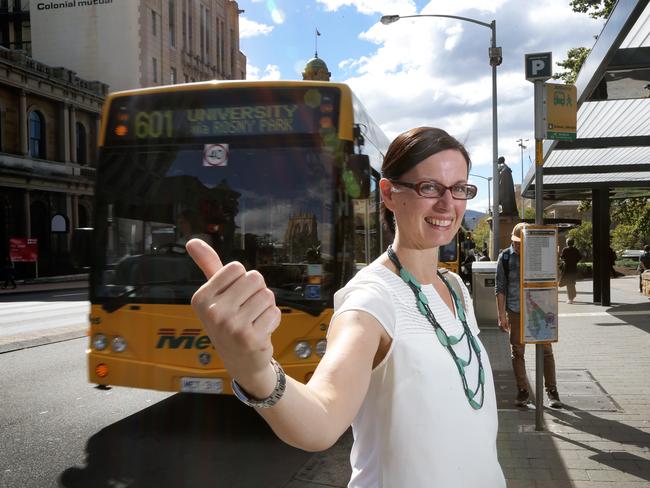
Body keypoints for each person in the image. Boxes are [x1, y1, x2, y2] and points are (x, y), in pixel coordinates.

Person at [186, 127, 506, 487]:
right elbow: (322, 420)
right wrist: (255, 371)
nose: (448, 204)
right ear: (388, 193)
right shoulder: (371, 298)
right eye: (429, 187)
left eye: (459, 188)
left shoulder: (454, 287)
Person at [495, 223, 561, 409]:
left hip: (539, 310)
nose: (518, 245)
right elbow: (500, 287)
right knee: (517, 351)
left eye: (521, 242)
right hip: (515, 311)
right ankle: (523, 390)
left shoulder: (538, 253)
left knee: (546, 350)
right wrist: (501, 315)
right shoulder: (505, 257)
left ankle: (552, 390)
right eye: (515, 242)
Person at [559, 238, 582, 304]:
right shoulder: (576, 250)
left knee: (568, 283)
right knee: (572, 282)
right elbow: (580, 257)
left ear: (567, 243)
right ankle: (573, 295)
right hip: (573, 268)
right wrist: (575, 261)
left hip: (567, 269)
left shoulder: (565, 249)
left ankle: (570, 299)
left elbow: (562, 257)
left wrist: (564, 260)